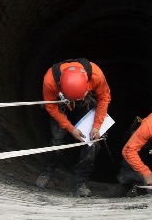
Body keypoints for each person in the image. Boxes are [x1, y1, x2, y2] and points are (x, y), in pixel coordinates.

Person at [35, 58, 112, 197]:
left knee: (92, 141)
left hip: (85, 100)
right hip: (61, 102)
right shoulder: (50, 81)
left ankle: (81, 180)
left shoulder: (96, 75)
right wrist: (71, 129)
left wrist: (96, 126)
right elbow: (51, 107)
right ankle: (48, 170)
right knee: (57, 139)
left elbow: (104, 98)